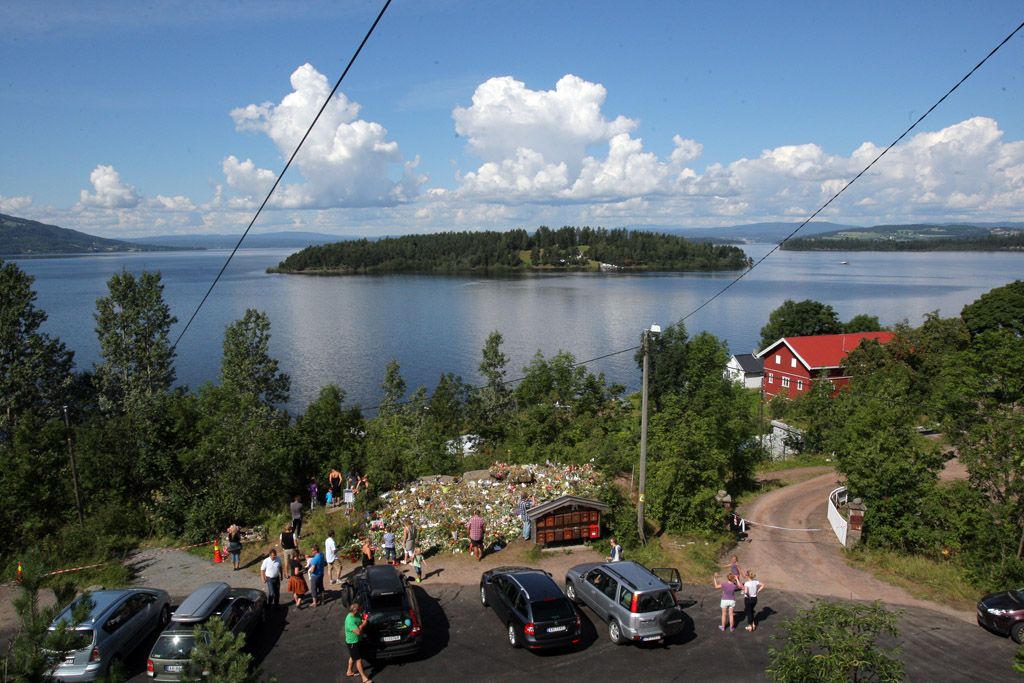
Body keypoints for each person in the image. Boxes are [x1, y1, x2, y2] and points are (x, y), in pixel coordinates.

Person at [345, 602, 372, 683]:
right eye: (359, 609)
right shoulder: (350, 620)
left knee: (353, 656)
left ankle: (349, 671)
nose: (360, 611)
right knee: (358, 659)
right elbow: (358, 632)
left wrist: (364, 620)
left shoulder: (357, 615)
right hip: (352, 642)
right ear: (355, 610)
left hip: (358, 640)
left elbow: (362, 620)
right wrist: (362, 625)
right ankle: (364, 678)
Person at [306, 543, 326, 608]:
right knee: (321, 587)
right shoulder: (321, 555)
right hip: (321, 574)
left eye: (312, 551)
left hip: (315, 576)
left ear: (315, 551)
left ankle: (314, 603)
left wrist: (309, 570)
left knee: (313, 589)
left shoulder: (314, 559)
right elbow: (325, 563)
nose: (312, 552)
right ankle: (322, 600)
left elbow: (313, 570)